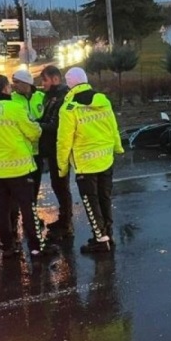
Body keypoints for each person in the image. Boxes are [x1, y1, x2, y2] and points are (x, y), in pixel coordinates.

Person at [0, 75, 55, 260]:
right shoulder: (15, 108)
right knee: (28, 209)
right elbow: (34, 132)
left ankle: (8, 246)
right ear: (5, 89)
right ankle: (36, 248)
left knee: (2, 210)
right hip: (20, 168)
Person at [57, 67, 124, 254]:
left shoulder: (69, 108)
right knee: (105, 198)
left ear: (69, 84)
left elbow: (64, 141)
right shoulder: (103, 101)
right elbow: (113, 127)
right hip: (106, 159)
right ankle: (108, 234)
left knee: (90, 201)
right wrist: (117, 147)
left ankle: (100, 239)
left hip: (85, 164)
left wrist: (62, 167)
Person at [38, 65, 73, 240]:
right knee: (56, 183)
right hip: (52, 149)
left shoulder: (62, 98)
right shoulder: (50, 97)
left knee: (61, 184)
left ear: (55, 79)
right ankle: (64, 218)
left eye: (44, 80)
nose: (42, 84)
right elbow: (46, 119)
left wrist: (36, 126)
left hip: (60, 149)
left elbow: (56, 126)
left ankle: (66, 222)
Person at [11, 69, 46, 193]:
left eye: (17, 82)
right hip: (22, 151)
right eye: (12, 81)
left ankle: (33, 206)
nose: (13, 84)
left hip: (39, 149)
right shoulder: (11, 99)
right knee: (23, 186)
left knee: (36, 183)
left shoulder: (41, 97)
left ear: (27, 83)